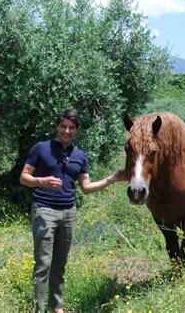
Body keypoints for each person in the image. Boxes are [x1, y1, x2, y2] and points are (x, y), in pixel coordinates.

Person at [20, 108, 125, 312]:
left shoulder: (80, 156)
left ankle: (56, 307)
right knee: (43, 264)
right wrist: (40, 181)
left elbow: (86, 188)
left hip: (69, 213)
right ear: (57, 126)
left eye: (71, 128)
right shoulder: (41, 148)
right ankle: (38, 308)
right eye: (63, 126)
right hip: (44, 210)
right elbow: (24, 177)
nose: (67, 131)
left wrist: (112, 179)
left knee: (60, 264)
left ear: (77, 130)